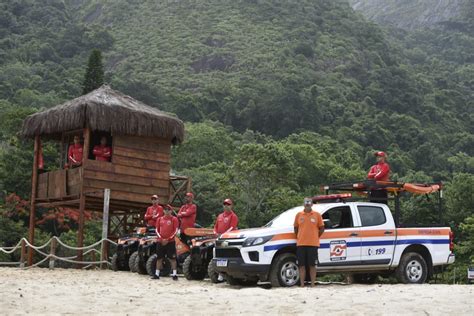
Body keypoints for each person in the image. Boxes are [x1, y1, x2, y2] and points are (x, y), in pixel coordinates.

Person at [294, 197, 324, 287]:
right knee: (301, 265)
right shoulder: (299, 215)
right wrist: (299, 236)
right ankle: (302, 284)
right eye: (306, 202)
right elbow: (295, 228)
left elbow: (322, 228)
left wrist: (316, 236)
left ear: (312, 204)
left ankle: (312, 284)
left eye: (309, 202)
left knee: (312, 265)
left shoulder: (317, 215)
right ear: (303, 204)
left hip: (313, 244)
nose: (307, 204)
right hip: (301, 244)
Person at [153, 205, 179, 281]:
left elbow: (175, 230)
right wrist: (161, 239)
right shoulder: (159, 219)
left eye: (168, 209)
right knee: (159, 258)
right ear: (163, 211)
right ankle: (156, 274)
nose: (167, 211)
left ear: (171, 211)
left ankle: (174, 274)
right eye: (165, 209)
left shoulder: (174, 219)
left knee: (172, 258)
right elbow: (157, 230)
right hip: (160, 241)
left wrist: (168, 239)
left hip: (170, 242)